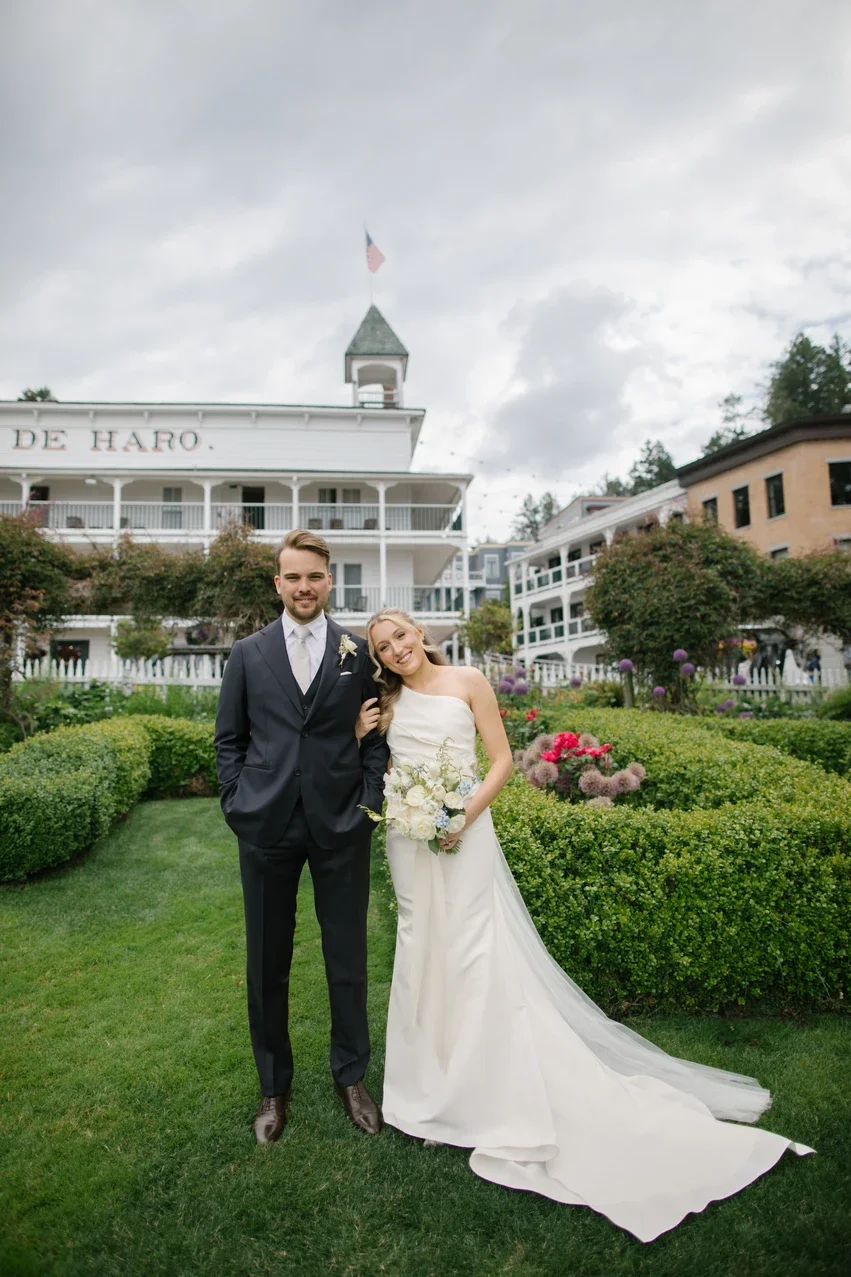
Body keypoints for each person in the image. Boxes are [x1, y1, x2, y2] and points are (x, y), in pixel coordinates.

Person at [360, 607, 813, 1244]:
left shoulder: (468, 681)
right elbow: (378, 769)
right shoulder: (386, 701)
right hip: (409, 840)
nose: (396, 649)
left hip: (465, 830)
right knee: (419, 945)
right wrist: (365, 743)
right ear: (378, 658)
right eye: (384, 646)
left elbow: (501, 762)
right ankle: (420, 1088)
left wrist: (462, 814)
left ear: (420, 635)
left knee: (468, 947)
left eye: (401, 636)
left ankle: (480, 1083)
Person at [214, 530, 389, 1144]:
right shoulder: (247, 653)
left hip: (342, 821)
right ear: (277, 583)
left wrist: (368, 803)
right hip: (266, 825)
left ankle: (352, 1076)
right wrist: (237, 803)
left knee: (347, 957)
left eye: (314, 576)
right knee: (267, 961)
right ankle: (273, 1086)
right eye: (293, 577)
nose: (303, 587)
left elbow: (378, 737)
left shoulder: (360, 651)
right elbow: (229, 740)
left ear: (329, 580)